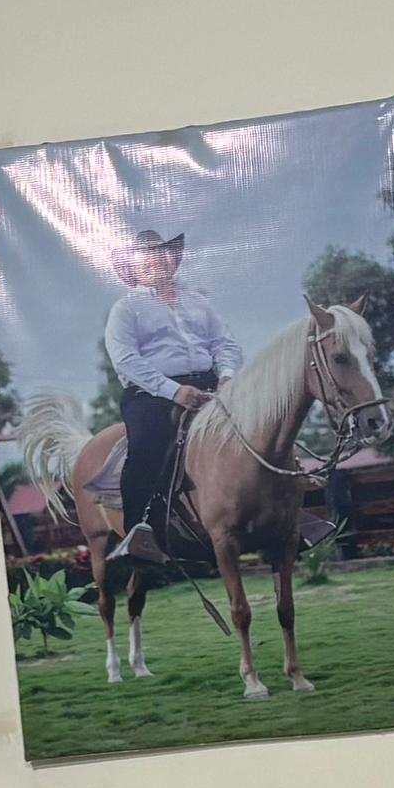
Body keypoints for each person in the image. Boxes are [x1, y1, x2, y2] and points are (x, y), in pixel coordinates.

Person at [102, 226, 237, 569]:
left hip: (210, 386)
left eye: (160, 253)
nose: (155, 261)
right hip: (152, 394)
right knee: (145, 450)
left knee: (260, 426)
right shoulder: (126, 309)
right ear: (133, 268)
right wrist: (174, 391)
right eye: (145, 257)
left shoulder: (199, 302)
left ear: (172, 260)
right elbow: (125, 359)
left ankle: (284, 508)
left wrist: (226, 376)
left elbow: (223, 343)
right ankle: (138, 533)